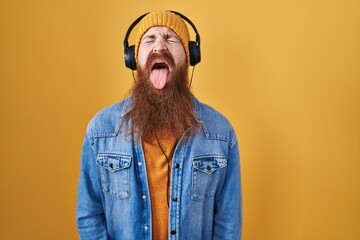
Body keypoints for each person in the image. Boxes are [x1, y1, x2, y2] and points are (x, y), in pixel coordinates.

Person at [76, 10, 242, 240]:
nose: (159, 46)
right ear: (133, 59)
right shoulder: (101, 130)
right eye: (149, 39)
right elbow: (89, 215)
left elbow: (228, 224)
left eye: (170, 38)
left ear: (189, 56)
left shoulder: (221, 134)